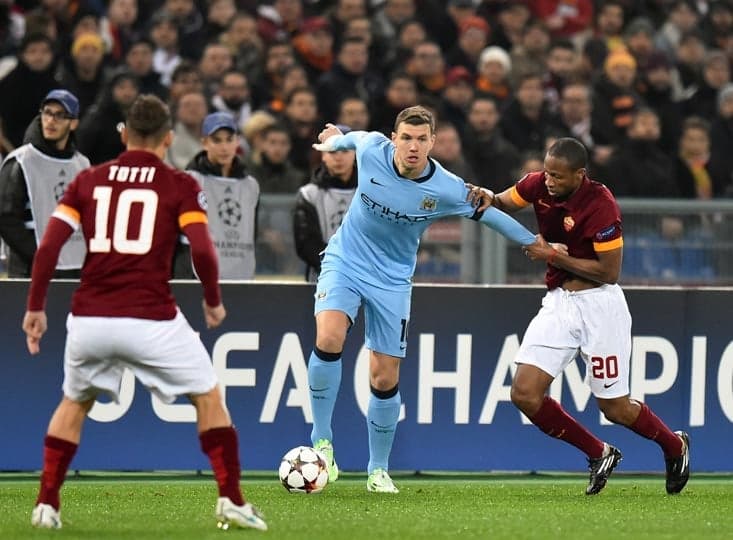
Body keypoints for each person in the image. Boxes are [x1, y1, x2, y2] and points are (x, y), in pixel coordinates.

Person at [22, 95, 266, 532]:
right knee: (208, 397)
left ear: (123, 134)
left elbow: (49, 247)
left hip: (91, 318)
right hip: (151, 318)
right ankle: (231, 499)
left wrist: (35, 306)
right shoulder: (179, 184)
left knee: (74, 402)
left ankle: (46, 504)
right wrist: (212, 299)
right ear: (169, 138)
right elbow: (204, 251)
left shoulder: (88, 180)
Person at [307, 106, 538, 493]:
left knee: (384, 376)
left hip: (393, 280)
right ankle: (321, 441)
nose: (412, 147)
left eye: (421, 140)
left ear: (432, 143)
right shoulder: (370, 149)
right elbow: (347, 139)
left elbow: (491, 216)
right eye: (406, 138)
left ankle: (378, 470)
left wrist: (533, 243)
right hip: (345, 260)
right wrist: (333, 138)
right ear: (394, 138)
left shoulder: (447, 187)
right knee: (329, 338)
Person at [469, 137, 690, 496]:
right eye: (547, 173)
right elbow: (502, 202)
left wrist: (551, 255)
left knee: (614, 407)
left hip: (600, 306)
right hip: (559, 304)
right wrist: (485, 195)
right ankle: (598, 452)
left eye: (558, 176)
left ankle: (674, 446)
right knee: (524, 394)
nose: (550, 181)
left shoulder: (600, 204)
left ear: (579, 175)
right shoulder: (536, 183)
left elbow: (609, 271)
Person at [0, 90, 90, 278]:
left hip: (75, 269)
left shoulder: (82, 164)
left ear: (73, 123)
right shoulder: (21, 161)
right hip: (30, 269)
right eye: (47, 112)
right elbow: (6, 218)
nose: (51, 120)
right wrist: (40, 254)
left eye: (60, 115)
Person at [178, 112, 260, 279]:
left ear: (237, 142)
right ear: (205, 143)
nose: (224, 147)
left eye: (229, 140)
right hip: (197, 275)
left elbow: (252, 232)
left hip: (241, 274)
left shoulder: (251, 185)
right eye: (217, 140)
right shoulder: (190, 181)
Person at [293, 124, 357, 282]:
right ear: (323, 155)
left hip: (364, 281)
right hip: (321, 281)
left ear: (355, 153)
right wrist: (338, 270)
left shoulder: (370, 192)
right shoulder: (309, 195)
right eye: (333, 151)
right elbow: (306, 245)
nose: (339, 157)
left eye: (345, 150)